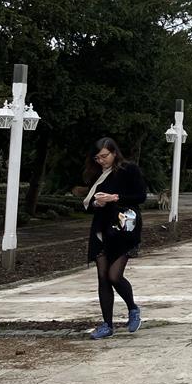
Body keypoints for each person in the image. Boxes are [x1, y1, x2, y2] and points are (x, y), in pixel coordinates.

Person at [81, 138, 147, 339]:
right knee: (102, 277)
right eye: (97, 157)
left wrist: (114, 198)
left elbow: (140, 196)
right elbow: (88, 203)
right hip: (101, 228)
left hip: (123, 229)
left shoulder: (129, 170)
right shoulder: (97, 175)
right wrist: (97, 203)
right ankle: (107, 324)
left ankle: (133, 308)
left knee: (114, 275)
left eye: (104, 156)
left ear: (114, 153)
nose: (101, 161)